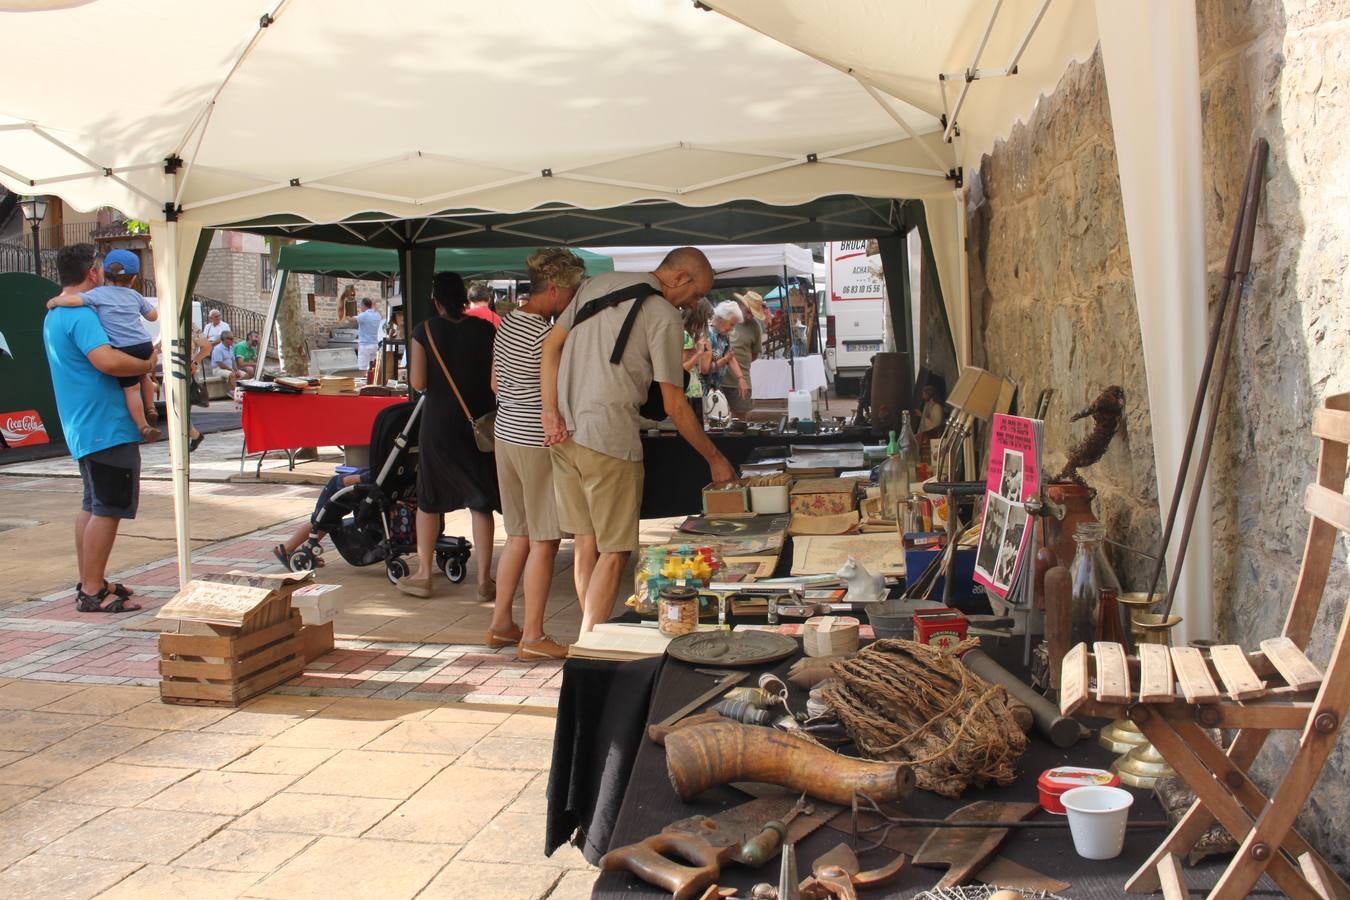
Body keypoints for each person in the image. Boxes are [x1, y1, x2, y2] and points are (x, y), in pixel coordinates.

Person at [541, 247, 735, 635]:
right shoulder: (662, 313)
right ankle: (591, 642)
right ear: (679, 278)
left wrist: (550, 413)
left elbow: (550, 347)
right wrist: (714, 457)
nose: (695, 304)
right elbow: (675, 404)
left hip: (565, 432)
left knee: (586, 541)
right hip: (609, 436)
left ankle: (591, 632)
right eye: (696, 295)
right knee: (614, 551)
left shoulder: (595, 285)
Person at [43, 244, 157, 614]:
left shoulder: (56, 312)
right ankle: (93, 589)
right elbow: (107, 361)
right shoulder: (85, 315)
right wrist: (148, 361)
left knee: (92, 505)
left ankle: (90, 579)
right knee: (108, 507)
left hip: (84, 424)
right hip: (106, 424)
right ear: (92, 273)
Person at [487, 248, 587, 660]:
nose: (574, 297)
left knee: (518, 535)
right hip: (534, 441)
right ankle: (532, 636)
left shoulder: (507, 322)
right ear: (554, 288)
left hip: (504, 435)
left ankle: (500, 624)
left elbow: (494, 383)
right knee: (545, 540)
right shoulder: (549, 337)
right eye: (572, 289)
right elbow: (562, 391)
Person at [399, 272, 499, 600]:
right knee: (480, 501)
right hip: (479, 423)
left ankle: (424, 575)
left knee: (428, 499)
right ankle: (485, 580)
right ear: (464, 297)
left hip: (439, 422)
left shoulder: (424, 330)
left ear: (436, 300)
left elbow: (417, 382)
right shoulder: (486, 329)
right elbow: (494, 381)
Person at [45, 248, 161, 442]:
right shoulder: (132, 297)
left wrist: (56, 301)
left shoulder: (83, 303)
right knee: (144, 378)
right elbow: (110, 363)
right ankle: (150, 408)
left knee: (131, 389)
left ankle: (143, 424)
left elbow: (75, 300)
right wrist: (147, 365)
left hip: (90, 426)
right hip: (107, 434)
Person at [728, 290, 766, 416]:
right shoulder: (726, 317)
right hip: (720, 378)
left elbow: (755, 354)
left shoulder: (755, 326)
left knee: (740, 420)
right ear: (741, 305)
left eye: (752, 314)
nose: (750, 317)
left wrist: (740, 365)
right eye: (748, 312)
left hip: (742, 378)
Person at [703, 300, 749, 401]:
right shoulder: (708, 334)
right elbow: (705, 369)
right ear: (722, 319)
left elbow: (730, 357)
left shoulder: (723, 335)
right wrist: (725, 359)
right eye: (731, 324)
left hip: (714, 388)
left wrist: (740, 378)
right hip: (703, 389)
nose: (732, 329)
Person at [681, 299, 713, 421]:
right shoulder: (685, 336)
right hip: (688, 393)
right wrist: (699, 353)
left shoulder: (688, 335)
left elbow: (703, 368)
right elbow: (682, 369)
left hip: (692, 393)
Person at [340, 297, 384, 380]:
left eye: (361, 306)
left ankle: (363, 384)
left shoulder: (364, 315)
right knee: (373, 368)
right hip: (374, 344)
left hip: (365, 345)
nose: (360, 308)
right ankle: (372, 382)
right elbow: (380, 315)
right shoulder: (377, 315)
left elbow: (350, 320)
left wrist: (344, 310)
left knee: (363, 368)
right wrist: (375, 306)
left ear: (364, 305)